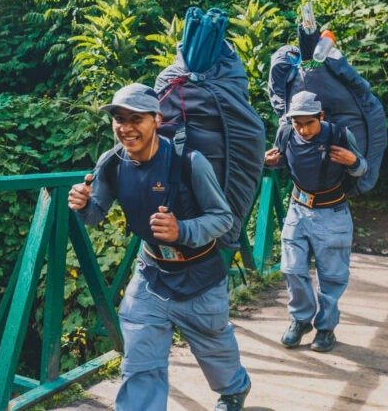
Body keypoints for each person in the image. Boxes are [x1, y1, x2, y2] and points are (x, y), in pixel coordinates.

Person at [68, 83, 251, 411]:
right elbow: (95, 213)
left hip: (200, 278)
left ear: (157, 118)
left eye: (135, 118)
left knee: (214, 351)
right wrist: (82, 204)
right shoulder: (111, 163)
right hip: (151, 275)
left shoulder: (189, 162)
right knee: (140, 365)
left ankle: (234, 389)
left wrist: (182, 229)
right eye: (119, 119)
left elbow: (223, 218)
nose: (125, 128)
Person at [264, 90, 367, 352]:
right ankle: (300, 320)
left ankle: (325, 329)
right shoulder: (286, 133)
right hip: (298, 210)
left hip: (333, 213)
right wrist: (268, 163)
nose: (303, 129)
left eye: (309, 123)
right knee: (291, 268)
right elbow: (284, 164)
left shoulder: (339, 135)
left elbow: (363, 168)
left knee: (332, 277)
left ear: (320, 115)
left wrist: (353, 161)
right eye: (298, 123)